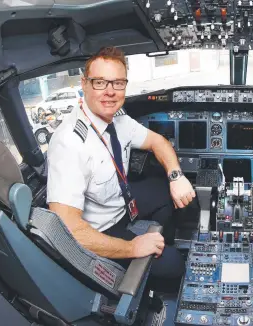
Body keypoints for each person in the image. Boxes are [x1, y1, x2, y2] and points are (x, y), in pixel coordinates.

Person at [46, 46, 195, 282]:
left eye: (118, 83)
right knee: (174, 265)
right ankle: (153, 263)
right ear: (84, 84)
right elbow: (69, 230)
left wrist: (176, 177)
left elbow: (158, 142)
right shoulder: (69, 144)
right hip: (100, 229)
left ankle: (158, 237)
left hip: (121, 202)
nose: (110, 92)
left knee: (171, 190)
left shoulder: (118, 119)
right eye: (100, 83)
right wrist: (133, 247)